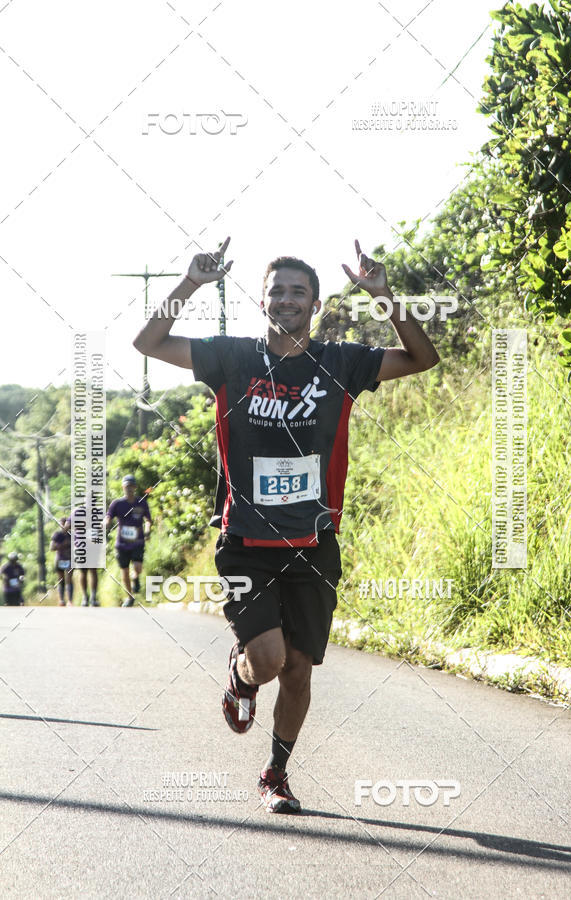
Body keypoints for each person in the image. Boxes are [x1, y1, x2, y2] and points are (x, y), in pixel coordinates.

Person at [132, 236, 439, 813]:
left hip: (315, 543)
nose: (287, 298)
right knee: (269, 660)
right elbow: (147, 342)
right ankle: (243, 676)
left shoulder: (343, 362)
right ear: (263, 301)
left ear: (315, 305)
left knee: (299, 668)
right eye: (277, 290)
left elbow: (424, 359)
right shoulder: (232, 358)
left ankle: (275, 773)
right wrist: (193, 281)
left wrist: (384, 296)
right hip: (246, 541)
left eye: (299, 291)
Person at [105, 475, 152, 607]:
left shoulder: (141, 502)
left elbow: (148, 520)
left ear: (135, 487)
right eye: (127, 487)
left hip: (137, 542)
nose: (129, 489)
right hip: (122, 544)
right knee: (124, 571)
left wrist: (148, 531)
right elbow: (108, 517)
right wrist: (105, 524)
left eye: (131, 486)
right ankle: (129, 597)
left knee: (138, 568)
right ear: (123, 487)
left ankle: (135, 577)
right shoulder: (117, 504)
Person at [70, 505, 100, 606]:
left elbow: (102, 525)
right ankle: (85, 597)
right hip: (80, 546)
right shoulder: (77, 511)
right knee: (83, 571)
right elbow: (68, 524)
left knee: (93, 570)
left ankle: (93, 597)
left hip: (93, 546)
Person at [50, 518, 73, 606]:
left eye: (65, 524)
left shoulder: (72, 534)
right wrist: (63, 544)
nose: (64, 526)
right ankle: (61, 600)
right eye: (61, 524)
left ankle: (70, 601)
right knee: (61, 579)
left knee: (69, 579)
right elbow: (52, 548)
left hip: (69, 559)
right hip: (59, 559)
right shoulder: (57, 535)